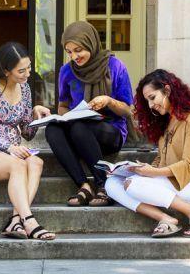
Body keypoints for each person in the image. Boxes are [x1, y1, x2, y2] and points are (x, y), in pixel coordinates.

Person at [0, 42, 56, 241]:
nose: (27, 74)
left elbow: (27, 132)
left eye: (29, 67)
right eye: (21, 70)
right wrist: (10, 147)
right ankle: (30, 221)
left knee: (36, 163)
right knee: (19, 165)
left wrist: (36, 117)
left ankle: (15, 220)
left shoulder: (25, 89)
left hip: (12, 150)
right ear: (6, 71)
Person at [105, 69, 190, 238]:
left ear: (167, 90)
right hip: (171, 180)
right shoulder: (168, 121)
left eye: (152, 98)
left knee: (133, 184)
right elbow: (161, 159)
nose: (150, 105)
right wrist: (140, 168)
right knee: (111, 183)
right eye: (147, 101)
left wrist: (153, 173)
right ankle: (165, 218)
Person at [44, 21, 133, 207]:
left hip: (110, 131)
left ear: (91, 43)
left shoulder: (115, 66)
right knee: (52, 129)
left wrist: (108, 101)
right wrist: (65, 116)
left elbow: (127, 110)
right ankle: (84, 185)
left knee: (79, 127)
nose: (74, 56)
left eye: (78, 50)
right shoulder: (66, 71)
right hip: (79, 130)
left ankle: (104, 184)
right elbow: (63, 105)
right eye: (69, 52)